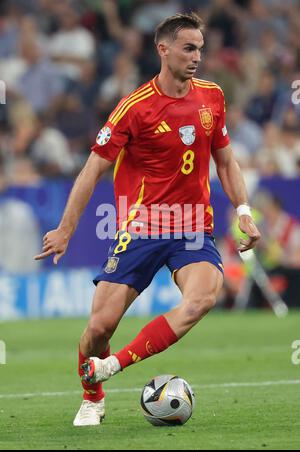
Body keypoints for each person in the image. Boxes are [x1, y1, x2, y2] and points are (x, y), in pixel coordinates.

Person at [35, 13, 261, 426]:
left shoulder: (212, 96)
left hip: (192, 227)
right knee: (98, 329)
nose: (197, 57)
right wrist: (66, 229)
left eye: (200, 49)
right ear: (164, 49)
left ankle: (113, 365)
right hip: (141, 227)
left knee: (202, 300)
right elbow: (92, 169)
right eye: (188, 48)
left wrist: (243, 212)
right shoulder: (134, 108)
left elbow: (225, 162)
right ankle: (92, 396)